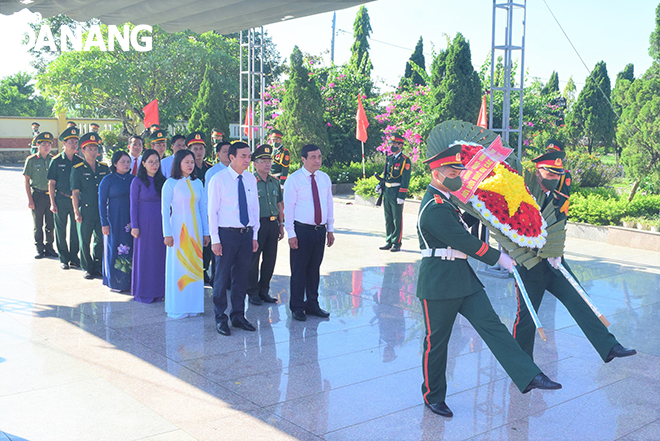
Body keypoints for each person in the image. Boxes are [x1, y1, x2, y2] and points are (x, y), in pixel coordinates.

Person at [416, 142, 561, 418]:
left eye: (460, 169)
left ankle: (528, 375)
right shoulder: (434, 207)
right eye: (453, 170)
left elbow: (470, 229)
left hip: (463, 280)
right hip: (438, 283)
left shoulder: (448, 203)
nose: (458, 175)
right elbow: (463, 241)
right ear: (437, 174)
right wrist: (499, 258)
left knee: (493, 327)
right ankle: (432, 396)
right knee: (437, 342)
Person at [512, 150, 637, 364]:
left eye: (557, 175)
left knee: (580, 300)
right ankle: (523, 367)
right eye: (550, 174)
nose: (554, 179)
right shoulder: (522, 196)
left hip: (554, 262)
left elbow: (559, 227)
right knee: (527, 317)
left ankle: (608, 346)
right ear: (537, 171)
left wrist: (557, 253)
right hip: (529, 265)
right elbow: (510, 226)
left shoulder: (558, 198)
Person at [207, 142, 260, 336]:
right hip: (225, 234)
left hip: (245, 234)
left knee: (241, 277)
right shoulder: (218, 180)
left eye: (249, 156)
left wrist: (254, 234)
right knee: (221, 278)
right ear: (231, 157)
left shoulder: (250, 179)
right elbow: (212, 211)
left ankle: (238, 315)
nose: (248, 160)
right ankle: (220, 318)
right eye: (243, 156)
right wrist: (215, 239)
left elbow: (254, 208)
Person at [283, 144, 335, 322]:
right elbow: (288, 208)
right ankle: (297, 306)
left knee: (314, 269)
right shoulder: (294, 179)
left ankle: (312, 303)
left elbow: (329, 204)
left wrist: (330, 229)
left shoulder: (324, 178)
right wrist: (290, 233)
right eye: (313, 157)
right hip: (301, 230)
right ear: (303, 159)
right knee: (299, 270)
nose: (317, 160)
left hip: (319, 230)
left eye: (319, 156)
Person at [161, 149, 210, 319]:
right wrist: (167, 233)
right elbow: (165, 210)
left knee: (195, 266)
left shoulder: (198, 183)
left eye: (191, 162)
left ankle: (193, 306)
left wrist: (206, 232)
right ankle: (178, 306)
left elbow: (203, 208)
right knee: (179, 266)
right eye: (186, 162)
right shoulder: (170, 184)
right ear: (178, 163)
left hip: (195, 231)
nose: (190, 165)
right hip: (177, 230)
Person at [247, 144, 284, 305]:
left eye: (269, 160)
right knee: (253, 260)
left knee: (270, 259)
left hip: (272, 224)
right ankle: (253, 291)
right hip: (257, 225)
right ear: (255, 163)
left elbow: (279, 204)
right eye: (263, 161)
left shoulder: (274, 182)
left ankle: (264, 290)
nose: (267, 164)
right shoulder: (250, 181)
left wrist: (281, 224)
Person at [71, 133, 110, 279]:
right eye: (90, 149)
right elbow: (75, 192)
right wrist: (76, 211)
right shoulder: (78, 169)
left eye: (95, 149)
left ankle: (98, 265)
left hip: (100, 210)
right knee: (85, 239)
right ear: (83, 151)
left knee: (99, 239)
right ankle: (86, 267)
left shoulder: (104, 168)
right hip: (85, 210)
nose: (93, 152)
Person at [130, 149, 167, 303]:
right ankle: (144, 292)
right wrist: (134, 225)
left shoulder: (163, 181)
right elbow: (133, 205)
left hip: (161, 224)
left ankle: (160, 291)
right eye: (150, 162)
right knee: (145, 257)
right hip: (144, 225)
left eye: (157, 161)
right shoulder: (137, 181)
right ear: (143, 163)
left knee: (160, 257)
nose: (154, 165)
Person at [99, 151, 135, 292]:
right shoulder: (108, 180)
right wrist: (104, 223)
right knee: (113, 247)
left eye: (128, 162)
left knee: (130, 248)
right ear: (114, 164)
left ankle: (129, 281)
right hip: (114, 219)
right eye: (122, 162)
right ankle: (114, 281)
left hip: (130, 220)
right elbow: (101, 203)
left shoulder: (133, 179)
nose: (126, 164)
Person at [48, 126, 83, 270]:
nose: (74, 145)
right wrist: (52, 202)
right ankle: (63, 258)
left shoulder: (80, 161)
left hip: (76, 200)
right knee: (60, 229)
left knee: (76, 230)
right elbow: (51, 183)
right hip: (61, 199)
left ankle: (74, 257)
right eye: (71, 142)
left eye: (76, 142)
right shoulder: (56, 161)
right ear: (64, 143)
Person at [23, 131, 57, 259]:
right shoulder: (31, 160)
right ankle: (39, 248)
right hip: (37, 195)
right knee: (38, 224)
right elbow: (26, 181)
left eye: (48, 144)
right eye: (44, 144)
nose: (47, 147)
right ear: (38, 146)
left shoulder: (53, 160)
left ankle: (49, 247)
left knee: (50, 224)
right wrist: (30, 199)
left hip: (51, 196)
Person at [378, 133, 411, 253]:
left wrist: (402, 195)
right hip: (387, 191)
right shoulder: (390, 158)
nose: (392, 146)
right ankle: (389, 241)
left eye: (395, 144)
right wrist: (380, 185)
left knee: (397, 218)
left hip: (397, 191)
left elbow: (405, 179)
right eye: (391, 144)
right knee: (388, 217)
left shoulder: (405, 160)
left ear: (401, 145)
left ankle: (397, 243)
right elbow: (386, 174)